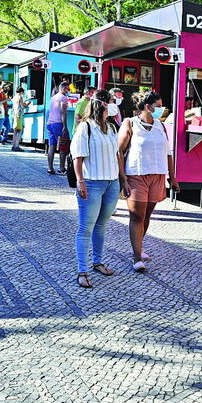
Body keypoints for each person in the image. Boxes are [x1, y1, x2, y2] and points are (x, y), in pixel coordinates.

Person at [117, 90, 179, 272]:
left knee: (147, 215)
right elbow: (119, 151)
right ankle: (136, 257)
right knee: (136, 215)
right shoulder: (130, 123)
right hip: (136, 175)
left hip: (157, 175)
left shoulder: (160, 126)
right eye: (159, 106)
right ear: (147, 107)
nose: (162, 109)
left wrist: (172, 177)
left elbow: (168, 153)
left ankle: (139, 247)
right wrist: (123, 178)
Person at [70, 89, 121, 289]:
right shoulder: (86, 127)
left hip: (111, 183)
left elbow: (117, 154)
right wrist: (80, 180)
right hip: (91, 182)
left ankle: (97, 262)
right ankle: (82, 271)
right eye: (111, 101)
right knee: (86, 227)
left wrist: (122, 179)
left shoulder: (112, 127)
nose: (115, 104)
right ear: (102, 103)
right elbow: (78, 156)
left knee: (101, 226)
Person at [46, 82, 70, 175]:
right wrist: (65, 126)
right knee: (63, 146)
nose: (68, 91)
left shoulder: (53, 97)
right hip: (58, 123)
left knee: (51, 146)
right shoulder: (63, 98)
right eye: (67, 89)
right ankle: (62, 167)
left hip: (50, 123)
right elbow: (64, 113)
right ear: (63, 89)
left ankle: (50, 168)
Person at [10, 86, 28, 151]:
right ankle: (17, 146)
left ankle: (13, 145)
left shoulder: (14, 98)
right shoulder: (20, 97)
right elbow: (23, 106)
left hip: (14, 114)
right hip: (19, 115)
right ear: (21, 92)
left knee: (15, 130)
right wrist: (27, 104)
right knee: (19, 130)